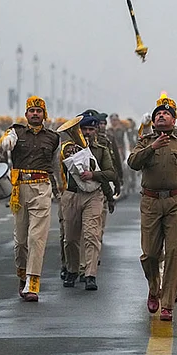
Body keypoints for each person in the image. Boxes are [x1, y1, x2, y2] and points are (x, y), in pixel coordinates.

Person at [127, 96, 177, 322]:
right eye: (158, 113)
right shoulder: (145, 141)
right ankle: (153, 286)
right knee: (149, 253)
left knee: (173, 253)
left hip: (175, 202)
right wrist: (152, 147)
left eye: (166, 113)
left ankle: (167, 302)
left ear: (174, 119)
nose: (161, 115)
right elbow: (133, 162)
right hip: (150, 201)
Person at [0, 97, 60, 302]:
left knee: (37, 238)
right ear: (26, 115)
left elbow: (56, 164)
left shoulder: (52, 137)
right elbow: (5, 141)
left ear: (44, 114)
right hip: (20, 189)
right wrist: (6, 140)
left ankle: (33, 283)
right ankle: (23, 274)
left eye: (39, 111)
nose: (35, 114)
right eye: (31, 111)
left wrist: (60, 187)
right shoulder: (16, 132)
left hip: (42, 187)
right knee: (21, 241)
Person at [61, 114, 116, 291]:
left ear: (96, 131)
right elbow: (57, 170)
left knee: (91, 235)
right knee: (70, 239)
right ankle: (72, 269)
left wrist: (94, 175)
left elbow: (110, 173)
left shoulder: (101, 150)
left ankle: (90, 274)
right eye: (84, 129)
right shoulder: (67, 148)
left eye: (91, 129)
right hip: (71, 194)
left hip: (93, 195)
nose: (87, 133)